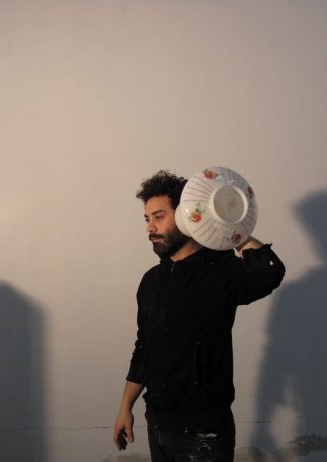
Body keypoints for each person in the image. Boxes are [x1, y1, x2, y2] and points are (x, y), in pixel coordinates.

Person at [113, 170, 286, 461]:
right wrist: (124, 408)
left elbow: (269, 271)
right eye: (147, 218)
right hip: (157, 424)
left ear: (185, 216)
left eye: (159, 217)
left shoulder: (221, 269)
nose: (150, 227)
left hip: (204, 433)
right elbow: (144, 349)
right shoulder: (152, 280)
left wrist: (228, 227)